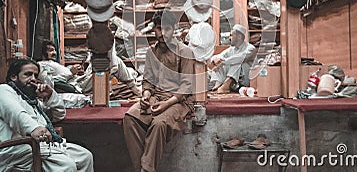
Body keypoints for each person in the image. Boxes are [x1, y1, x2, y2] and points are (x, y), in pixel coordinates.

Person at [123, 9, 195, 172]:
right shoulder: (151, 52)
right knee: (130, 118)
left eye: (166, 29)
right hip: (156, 97)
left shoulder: (185, 52)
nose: (162, 33)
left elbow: (186, 87)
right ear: (153, 29)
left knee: (159, 124)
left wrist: (166, 104)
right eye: (158, 28)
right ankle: (141, 168)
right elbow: (148, 81)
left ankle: (147, 169)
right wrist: (146, 96)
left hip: (179, 101)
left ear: (173, 29)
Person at [0, 58, 94, 172]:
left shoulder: (32, 101)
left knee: (85, 156)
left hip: (40, 147)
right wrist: (35, 128)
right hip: (16, 150)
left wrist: (50, 95)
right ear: (14, 77)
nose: (33, 79)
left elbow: (58, 115)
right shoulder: (4, 90)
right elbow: (15, 113)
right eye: (28, 74)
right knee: (67, 166)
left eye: (35, 75)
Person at [39, 40, 140, 95]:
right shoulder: (42, 65)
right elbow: (50, 82)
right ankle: (131, 84)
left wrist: (75, 72)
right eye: (50, 50)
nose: (54, 53)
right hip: (78, 85)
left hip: (79, 79)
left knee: (97, 59)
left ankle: (112, 65)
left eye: (54, 50)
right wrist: (71, 73)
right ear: (43, 52)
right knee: (113, 60)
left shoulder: (53, 63)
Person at [209, 24, 257, 94]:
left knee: (236, 62)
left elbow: (240, 58)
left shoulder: (250, 48)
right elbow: (219, 56)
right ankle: (218, 84)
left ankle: (225, 86)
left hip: (246, 79)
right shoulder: (231, 49)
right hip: (235, 82)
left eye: (231, 35)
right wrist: (216, 59)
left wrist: (222, 61)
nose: (229, 38)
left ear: (239, 37)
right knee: (219, 63)